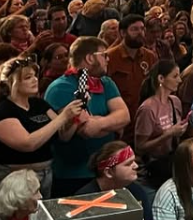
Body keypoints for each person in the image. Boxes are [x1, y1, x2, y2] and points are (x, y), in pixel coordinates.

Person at [45, 37, 130, 196]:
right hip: (73, 176)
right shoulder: (60, 88)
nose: (107, 59)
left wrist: (98, 123)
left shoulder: (106, 82)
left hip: (105, 173)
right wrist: (110, 123)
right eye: (104, 55)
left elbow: (124, 116)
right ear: (90, 58)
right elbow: (86, 131)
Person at [0, 57, 83, 197]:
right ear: (12, 82)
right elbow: (28, 144)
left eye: (35, 76)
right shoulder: (5, 109)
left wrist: (74, 118)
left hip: (46, 172)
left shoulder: (39, 104)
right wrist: (63, 116)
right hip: (16, 176)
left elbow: (64, 135)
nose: (35, 80)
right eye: (28, 77)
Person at [134, 60, 187, 187]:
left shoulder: (175, 102)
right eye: (175, 76)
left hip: (172, 163)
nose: (179, 80)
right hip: (154, 168)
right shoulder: (148, 108)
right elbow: (140, 147)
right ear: (161, 78)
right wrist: (168, 134)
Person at [106, 15, 157, 141]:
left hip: (144, 120)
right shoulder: (110, 58)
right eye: (134, 29)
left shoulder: (150, 57)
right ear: (123, 33)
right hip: (121, 121)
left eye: (142, 29)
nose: (140, 33)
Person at [75, 141, 153, 220]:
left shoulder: (136, 192)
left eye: (134, 161)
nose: (136, 166)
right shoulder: (82, 199)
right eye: (128, 164)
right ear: (108, 172)